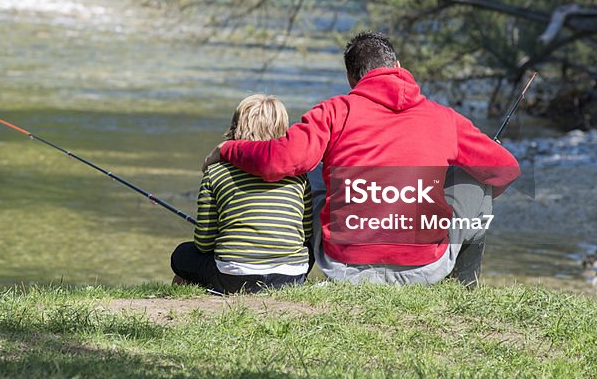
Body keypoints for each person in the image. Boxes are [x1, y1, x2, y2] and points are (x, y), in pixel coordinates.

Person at [203, 32, 520, 288]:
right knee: (477, 188)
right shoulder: (444, 118)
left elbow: (278, 162)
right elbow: (505, 170)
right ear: (398, 65)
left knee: (311, 170)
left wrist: (229, 149)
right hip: (423, 268)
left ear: (352, 77)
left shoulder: (332, 112)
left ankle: (291, 272)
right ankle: (463, 288)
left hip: (344, 268)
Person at [171, 94, 313, 294]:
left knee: (181, 255)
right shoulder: (298, 175)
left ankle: (187, 301)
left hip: (234, 278)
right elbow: (306, 232)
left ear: (236, 125)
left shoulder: (215, 172)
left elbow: (203, 243)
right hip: (290, 278)